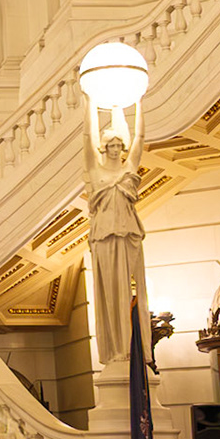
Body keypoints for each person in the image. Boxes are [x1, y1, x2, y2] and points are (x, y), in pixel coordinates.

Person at [84, 100, 147, 369]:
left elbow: (141, 138)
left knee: (131, 291)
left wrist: (138, 102)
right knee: (109, 293)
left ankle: (133, 349)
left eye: (119, 145)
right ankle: (114, 351)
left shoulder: (129, 166)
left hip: (128, 234)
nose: (115, 149)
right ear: (103, 146)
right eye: (110, 145)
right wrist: (89, 102)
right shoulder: (95, 170)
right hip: (104, 235)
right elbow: (86, 136)